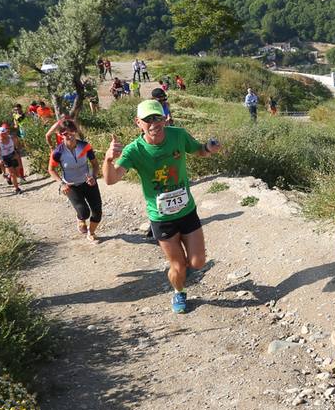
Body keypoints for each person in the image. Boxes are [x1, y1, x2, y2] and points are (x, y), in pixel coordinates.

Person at [104, 100, 221, 314]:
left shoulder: (178, 135)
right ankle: (179, 291)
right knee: (178, 266)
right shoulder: (134, 150)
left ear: (164, 118)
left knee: (197, 262)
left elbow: (199, 150)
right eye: (147, 120)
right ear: (138, 122)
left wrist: (209, 148)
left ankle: (185, 270)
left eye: (157, 117)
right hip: (161, 218)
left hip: (187, 211)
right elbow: (111, 180)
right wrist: (108, 159)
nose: (153, 123)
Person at [48, 119, 103, 243]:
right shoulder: (58, 152)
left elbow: (95, 164)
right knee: (84, 212)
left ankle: (91, 232)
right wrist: (62, 183)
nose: (70, 135)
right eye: (66, 133)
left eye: (72, 131)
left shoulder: (85, 146)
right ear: (60, 135)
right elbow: (51, 170)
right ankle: (80, 218)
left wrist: (93, 177)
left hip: (89, 182)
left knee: (97, 211)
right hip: (71, 185)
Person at [0, 126, 24, 194]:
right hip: (5, 158)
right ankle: (17, 188)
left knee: (17, 173)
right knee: (13, 174)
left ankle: (8, 176)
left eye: (5, 133)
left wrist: (17, 153)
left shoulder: (12, 138)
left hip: (13, 155)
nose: (4, 135)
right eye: (2, 134)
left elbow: (18, 145)